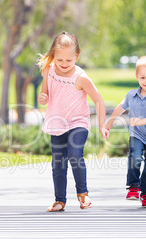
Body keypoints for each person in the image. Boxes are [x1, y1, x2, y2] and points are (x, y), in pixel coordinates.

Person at [37, 32, 109, 212]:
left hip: (78, 122)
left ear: (77, 56)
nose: (63, 64)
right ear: (54, 55)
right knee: (58, 163)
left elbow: (98, 101)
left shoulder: (81, 77)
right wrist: (42, 98)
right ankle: (59, 200)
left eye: (69, 60)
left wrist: (102, 125)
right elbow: (44, 94)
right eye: (59, 60)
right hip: (57, 122)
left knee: (75, 154)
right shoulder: (49, 70)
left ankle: (83, 194)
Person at [105, 56, 146, 208]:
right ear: (137, 77)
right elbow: (120, 107)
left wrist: (141, 121)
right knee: (135, 157)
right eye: (143, 77)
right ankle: (133, 187)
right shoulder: (131, 95)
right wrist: (110, 121)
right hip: (137, 135)